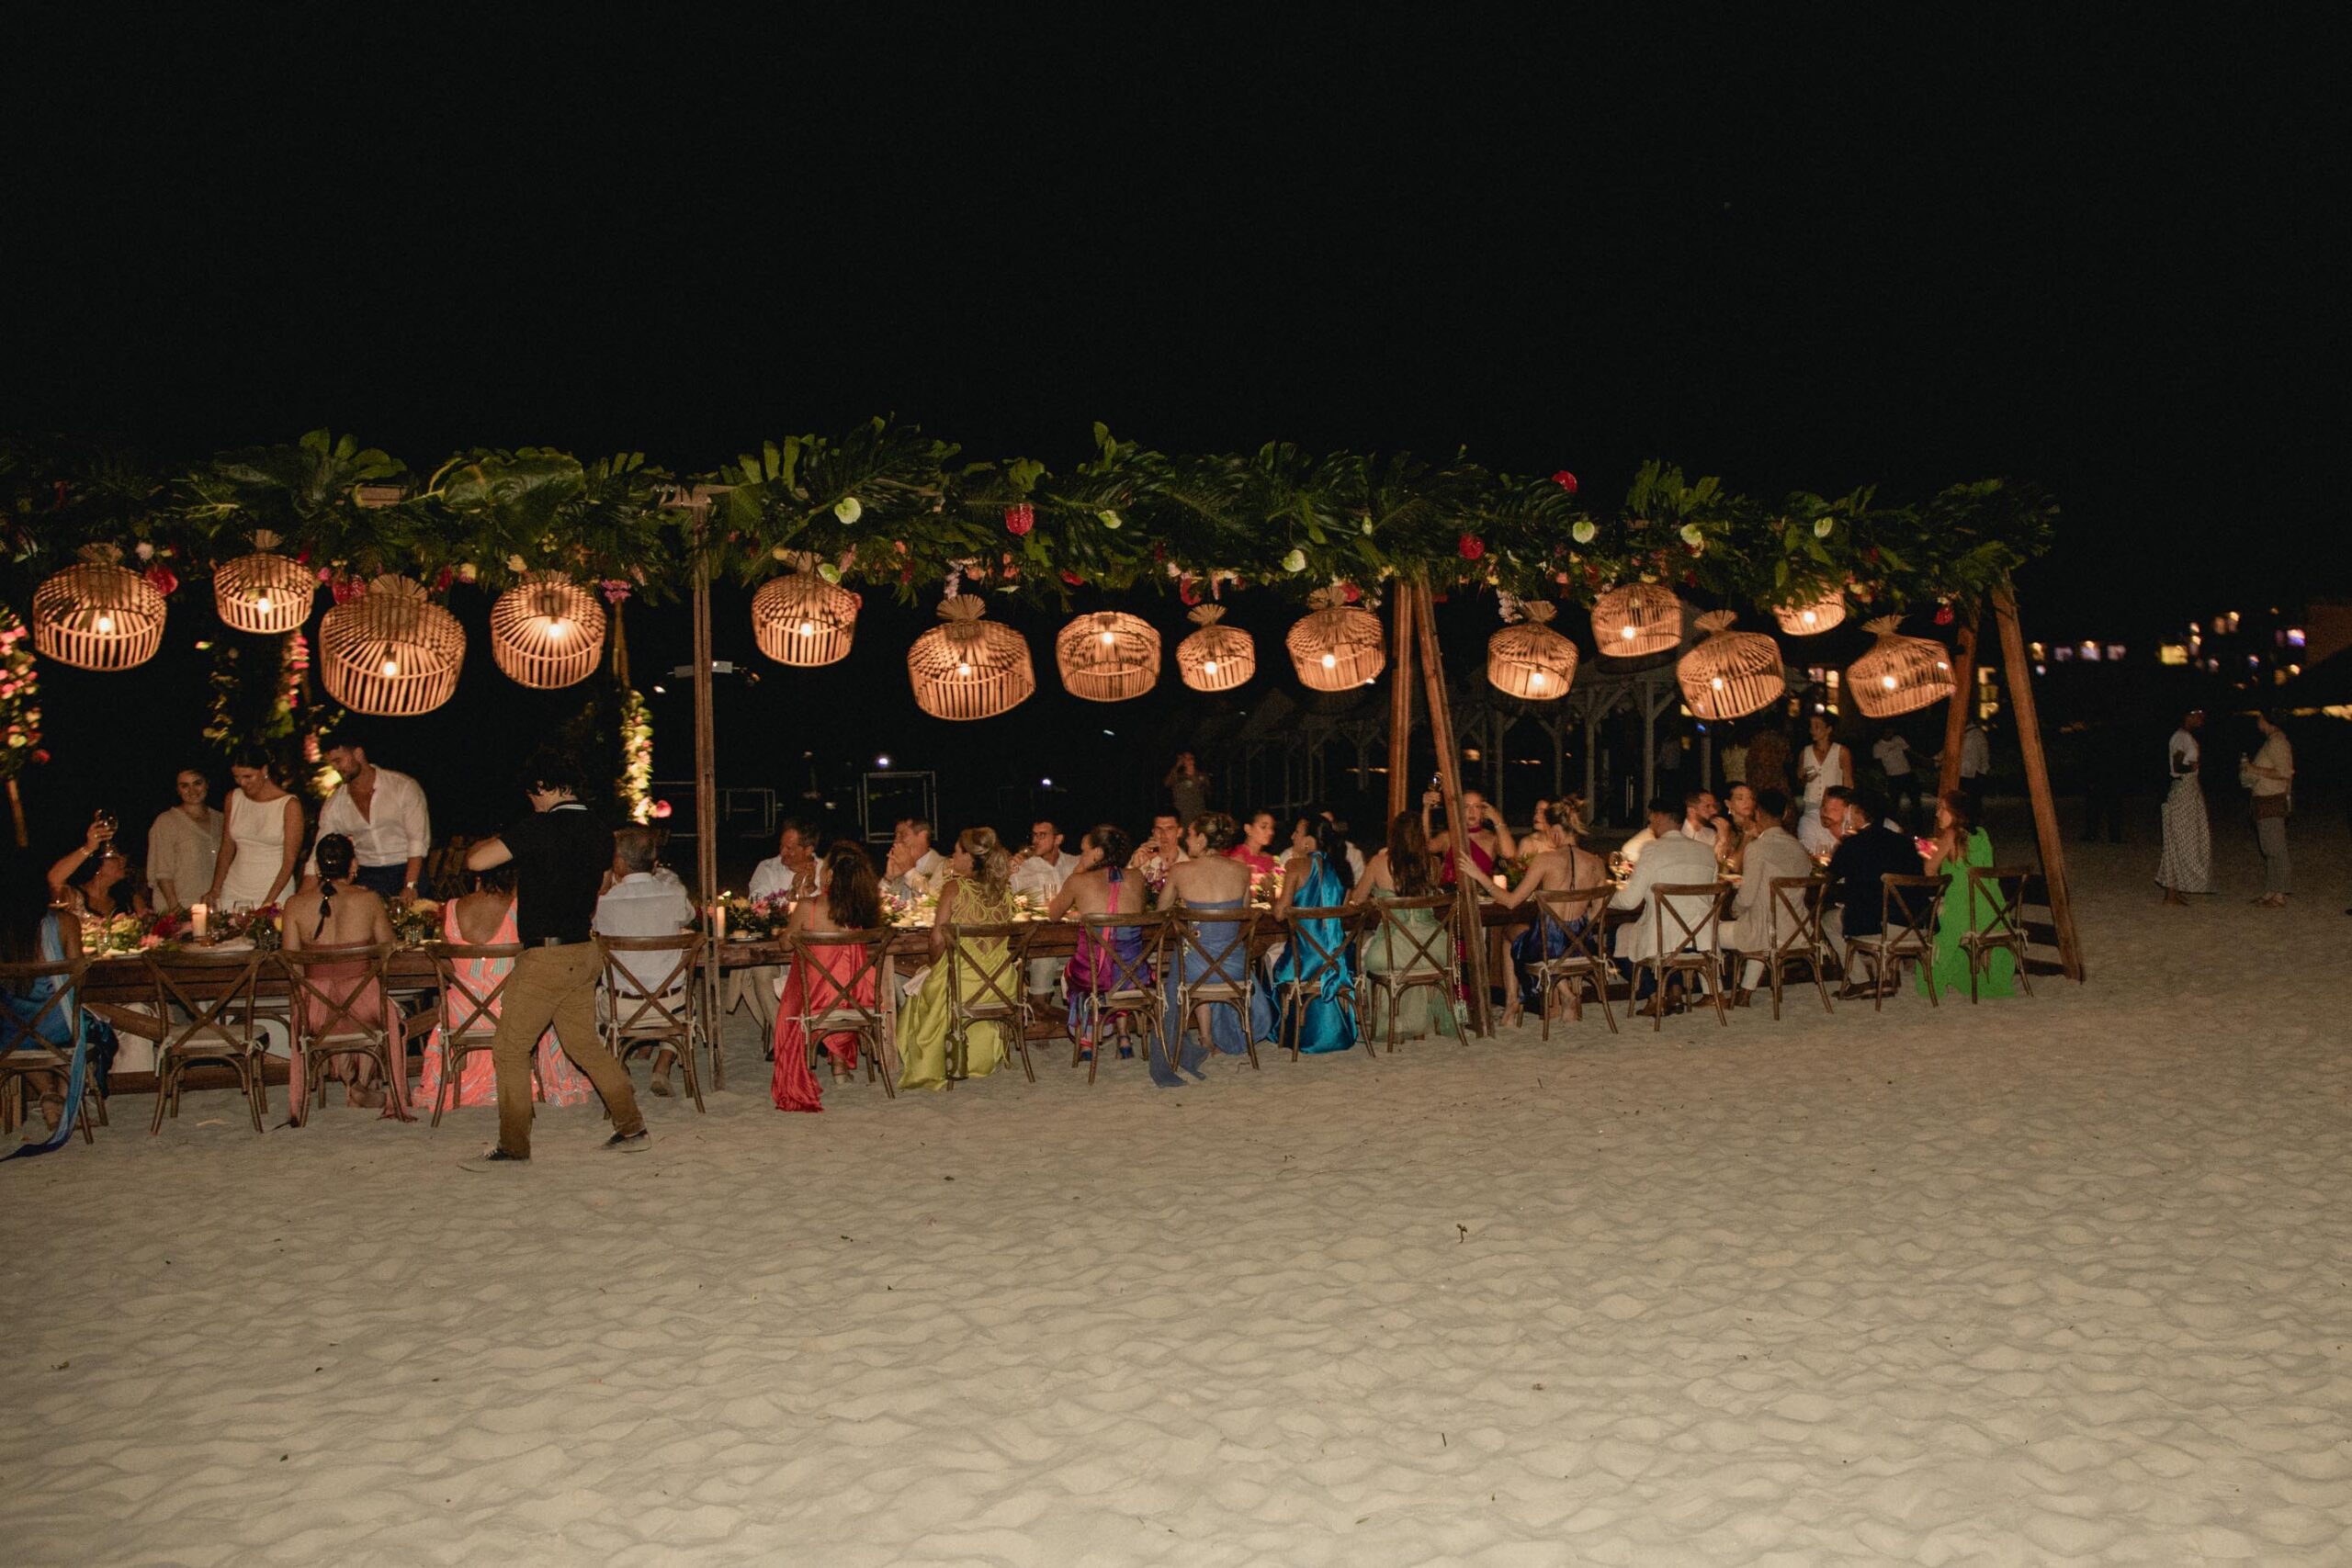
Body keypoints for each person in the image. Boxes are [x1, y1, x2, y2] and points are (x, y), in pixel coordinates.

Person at [465, 751, 652, 1160]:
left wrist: (510, 839)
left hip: (547, 957)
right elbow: (602, 884)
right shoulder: (601, 831)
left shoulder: (537, 827)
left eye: (532, 794)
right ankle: (631, 1124)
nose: (531, 802)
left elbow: (476, 861)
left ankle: (514, 1144)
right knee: (584, 1044)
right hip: (583, 952)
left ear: (544, 788)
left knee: (510, 1049)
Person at [418, 861, 594, 1113]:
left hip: (462, 1015)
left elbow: (448, 966)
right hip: (512, 1012)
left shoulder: (452, 908)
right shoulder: (523, 910)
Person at [279, 832, 400, 1120]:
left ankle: (354, 1084)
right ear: (353, 865)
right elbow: (388, 948)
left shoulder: (295, 905)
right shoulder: (369, 900)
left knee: (337, 999)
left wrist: (314, 991)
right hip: (363, 1005)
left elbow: (293, 966)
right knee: (376, 1000)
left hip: (316, 1010)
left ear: (319, 869)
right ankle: (361, 1086)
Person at [1452, 811, 1605, 1028]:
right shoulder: (1596, 863)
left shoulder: (1545, 860)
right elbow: (1597, 913)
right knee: (1542, 937)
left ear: (1554, 832)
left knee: (1509, 935)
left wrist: (1479, 876)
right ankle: (1565, 994)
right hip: (1584, 947)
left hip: (1548, 948)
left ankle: (1512, 1002)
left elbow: (1511, 901)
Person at [1, 868, 118, 1153]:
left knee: (26, 1034)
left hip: (9, 1034)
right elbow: (78, 978)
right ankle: (66, 1095)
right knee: (86, 1027)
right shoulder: (64, 922)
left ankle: (49, 1095)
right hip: (60, 1027)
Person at [896, 828, 1022, 1090]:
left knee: (921, 983)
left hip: (961, 984)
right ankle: (981, 1058)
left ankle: (931, 1062)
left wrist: (933, 966)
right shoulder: (1005, 890)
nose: (953, 856)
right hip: (1001, 983)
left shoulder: (955, 887)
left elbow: (937, 940)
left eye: (956, 851)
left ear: (970, 857)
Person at [1156, 812, 1272, 1083]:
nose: (1188, 839)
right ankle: (1210, 1036)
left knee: (1192, 951)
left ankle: (1206, 1038)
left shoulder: (1180, 871)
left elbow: (1161, 910)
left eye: (1192, 835)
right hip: (1233, 967)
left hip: (1195, 967)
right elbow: (1243, 913)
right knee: (1210, 950)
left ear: (1203, 838)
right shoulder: (1242, 871)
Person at [771, 841, 885, 1111]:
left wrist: (787, 928)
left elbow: (786, 945)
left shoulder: (809, 907)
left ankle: (831, 1063)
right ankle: (840, 1065)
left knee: (803, 985)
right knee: (843, 980)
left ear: (831, 875)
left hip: (816, 1004)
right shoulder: (861, 911)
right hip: (856, 1002)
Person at [594, 825, 698, 1097]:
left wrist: (604, 885)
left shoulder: (605, 904)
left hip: (621, 1009)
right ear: (654, 863)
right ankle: (662, 1067)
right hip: (669, 1005)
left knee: (587, 1001)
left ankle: (620, 1068)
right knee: (689, 1000)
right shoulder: (675, 895)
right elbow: (688, 918)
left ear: (618, 862)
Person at [1048, 824, 1153, 1060]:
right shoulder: (1137, 877)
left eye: (1084, 851)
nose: (1081, 855)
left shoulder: (1078, 880)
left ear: (1097, 854)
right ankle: (1124, 1037)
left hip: (1094, 975)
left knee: (1075, 971)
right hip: (1134, 974)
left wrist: (1079, 871)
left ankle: (1087, 1040)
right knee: (1121, 967)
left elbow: (1053, 914)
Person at [1608, 798, 1720, 1003]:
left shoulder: (1653, 850)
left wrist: (1605, 898)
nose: (1650, 824)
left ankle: (1654, 996)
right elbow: (1710, 898)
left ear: (1659, 817)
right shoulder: (1706, 851)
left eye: (1651, 819)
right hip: (1701, 937)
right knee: (1668, 930)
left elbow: (1629, 902)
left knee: (1618, 935)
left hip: (1663, 938)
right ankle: (1675, 989)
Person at [1271, 814, 1357, 1054]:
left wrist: (1272, 897)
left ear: (1309, 841)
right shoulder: (1343, 868)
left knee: (1270, 963)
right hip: (1338, 959)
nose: (1292, 836)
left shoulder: (1296, 866)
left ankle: (1289, 1030)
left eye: (1297, 833)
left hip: (1305, 962)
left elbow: (1279, 914)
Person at [315, 734, 432, 902]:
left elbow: (417, 840)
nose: (335, 768)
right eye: (332, 763)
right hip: (367, 874)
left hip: (407, 866)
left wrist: (410, 885)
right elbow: (319, 848)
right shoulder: (336, 803)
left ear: (358, 754)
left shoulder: (402, 787)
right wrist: (306, 893)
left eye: (339, 761)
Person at [1821, 789, 1922, 983]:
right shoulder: (1905, 843)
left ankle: (1859, 980)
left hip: (1877, 925)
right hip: (1915, 924)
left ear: (1857, 812)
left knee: (1828, 919)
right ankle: (1886, 972)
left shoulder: (1853, 843)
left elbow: (1830, 876)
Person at [1918, 790, 2011, 999]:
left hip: (1964, 912)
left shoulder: (1951, 835)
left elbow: (1929, 870)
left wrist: (1928, 851)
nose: (1937, 813)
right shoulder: (1982, 834)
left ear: (1956, 812)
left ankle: (1945, 978)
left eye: (1942, 808)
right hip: (1993, 912)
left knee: (1932, 930)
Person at [1725, 788, 1816, 999]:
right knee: (1762, 923)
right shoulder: (1799, 848)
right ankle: (1745, 993)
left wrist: (1734, 910)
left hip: (1767, 932)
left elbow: (1746, 899)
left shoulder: (1757, 848)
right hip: (1798, 930)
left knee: (1711, 932)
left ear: (1757, 814)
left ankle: (1712, 993)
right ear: (1785, 814)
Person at [206, 748, 304, 914]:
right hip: (235, 886)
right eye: (237, 777)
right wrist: (215, 888)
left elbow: (290, 861)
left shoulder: (289, 805)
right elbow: (227, 847)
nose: (242, 783)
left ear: (264, 770)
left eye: (248, 776)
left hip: (273, 887)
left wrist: (268, 903)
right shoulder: (233, 798)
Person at [1010, 818, 1082, 1008]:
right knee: (1044, 958)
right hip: (1039, 940)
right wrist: (1007, 874)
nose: (1036, 840)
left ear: (1058, 839)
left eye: (1042, 835)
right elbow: (1007, 900)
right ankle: (1040, 1012)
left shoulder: (1076, 863)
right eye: (1034, 835)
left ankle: (1088, 1017)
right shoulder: (1023, 867)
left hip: (1073, 937)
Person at [145, 768, 222, 914]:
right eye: (184, 785)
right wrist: (176, 909)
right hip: (182, 907)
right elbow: (162, 871)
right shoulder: (166, 822)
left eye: (197, 783)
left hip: (216, 906)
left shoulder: (221, 819)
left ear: (207, 784)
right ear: (177, 790)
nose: (192, 790)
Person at [2156, 707, 2211, 906]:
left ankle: (2173, 890)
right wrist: (2192, 768)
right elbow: (2177, 766)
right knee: (2179, 839)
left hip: (2187, 789)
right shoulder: (2181, 737)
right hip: (2183, 789)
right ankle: (2171, 893)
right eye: (2199, 714)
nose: (2202, 718)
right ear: (2188, 715)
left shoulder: (2185, 736)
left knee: (2178, 838)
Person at [2246, 710, 2294, 908]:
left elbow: (2284, 772)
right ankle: (2271, 890)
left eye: (2260, 717)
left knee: (2276, 848)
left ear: (2268, 721)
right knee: (2269, 847)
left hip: (2272, 799)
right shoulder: (2271, 741)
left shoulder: (2278, 742)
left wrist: (2254, 769)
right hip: (2265, 799)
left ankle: (2280, 893)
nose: (2258, 720)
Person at [1794, 713, 1852, 856]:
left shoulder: (1841, 751)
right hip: (1812, 803)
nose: (1812, 730)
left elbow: (1849, 782)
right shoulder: (1805, 752)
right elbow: (1798, 782)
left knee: (1834, 837)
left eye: (1817, 726)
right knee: (1811, 838)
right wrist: (1805, 780)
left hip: (1834, 804)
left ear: (1828, 729)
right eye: (1811, 727)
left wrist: (1848, 804)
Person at [1424, 786, 1516, 874]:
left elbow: (1509, 854)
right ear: (1459, 810)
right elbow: (1425, 847)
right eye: (1466, 806)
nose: (1472, 811)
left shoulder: (1491, 838)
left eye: (1477, 806)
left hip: (1481, 889)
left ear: (1483, 811)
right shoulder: (1448, 836)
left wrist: (1497, 819)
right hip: (1451, 889)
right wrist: (1426, 808)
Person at [746, 819, 820, 903]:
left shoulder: (825, 870)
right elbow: (756, 905)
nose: (782, 852)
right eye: (781, 845)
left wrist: (812, 888)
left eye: (789, 848)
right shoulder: (767, 868)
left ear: (808, 850)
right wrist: (792, 892)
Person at [883, 818, 946, 898]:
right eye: (896, 836)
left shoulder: (945, 867)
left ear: (922, 836)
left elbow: (937, 901)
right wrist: (888, 878)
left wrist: (909, 871)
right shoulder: (899, 871)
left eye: (903, 835)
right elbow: (873, 904)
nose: (896, 841)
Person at [1128, 811, 1189, 894]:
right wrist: (1134, 867)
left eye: (1169, 829)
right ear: (1153, 832)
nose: (1163, 834)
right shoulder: (1142, 858)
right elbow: (1124, 890)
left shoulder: (1188, 863)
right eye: (1159, 829)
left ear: (1179, 832)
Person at [1872, 728, 1920, 832]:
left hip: (1907, 774)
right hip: (1893, 777)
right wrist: (1884, 777)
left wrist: (1922, 761)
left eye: (1891, 731)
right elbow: (1879, 764)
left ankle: (1918, 825)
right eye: (1888, 731)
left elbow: (1910, 752)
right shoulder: (1878, 746)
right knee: (1894, 804)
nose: (1890, 733)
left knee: (1916, 800)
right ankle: (1893, 828)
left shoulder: (1898, 740)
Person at [1743, 720, 1792, 800]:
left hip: (1759, 781)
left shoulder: (1757, 739)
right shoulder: (1781, 740)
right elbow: (1788, 759)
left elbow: (1749, 763)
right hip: (1775, 780)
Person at [1228, 808, 1282, 878]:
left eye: (1272, 827)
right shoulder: (1238, 858)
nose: (1271, 832)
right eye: (1263, 827)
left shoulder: (1268, 857)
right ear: (1248, 829)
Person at [1165, 751, 1211, 825]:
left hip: (1197, 813)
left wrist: (1192, 775)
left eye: (1191, 758)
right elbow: (1167, 783)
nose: (1189, 760)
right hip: (1181, 813)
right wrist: (1176, 766)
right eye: (1185, 758)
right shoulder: (1178, 776)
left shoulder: (1201, 775)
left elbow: (1206, 790)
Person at [1958, 720, 1992, 784]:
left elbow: (1984, 753)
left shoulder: (1977, 734)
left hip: (1971, 773)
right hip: (1960, 772)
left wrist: (1983, 770)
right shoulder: (1958, 733)